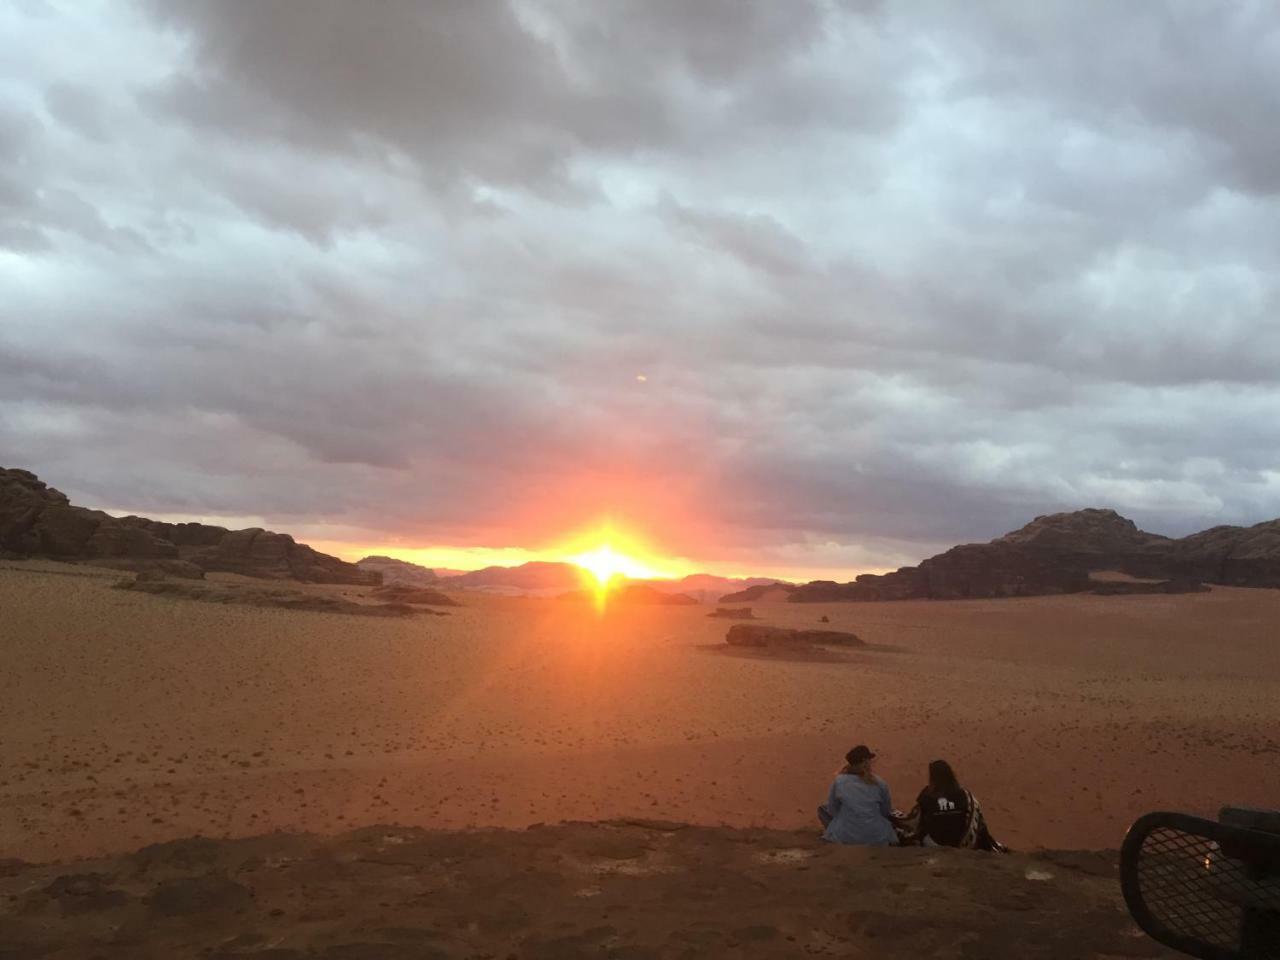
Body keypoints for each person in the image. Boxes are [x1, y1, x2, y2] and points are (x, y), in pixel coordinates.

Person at [903, 759, 1007, 852]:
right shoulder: (966, 795)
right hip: (963, 845)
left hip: (934, 845)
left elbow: (914, 821)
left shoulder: (927, 795)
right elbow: (979, 823)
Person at [818, 745, 898, 845]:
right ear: (867, 761)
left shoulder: (839, 781)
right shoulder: (880, 782)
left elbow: (832, 809)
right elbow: (885, 811)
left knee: (823, 809)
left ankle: (837, 832)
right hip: (878, 837)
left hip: (845, 836)